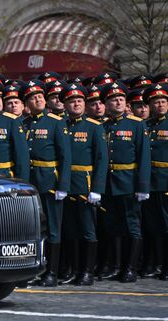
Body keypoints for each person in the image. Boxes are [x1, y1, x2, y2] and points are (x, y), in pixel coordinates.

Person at [21, 80, 71, 287]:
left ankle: (52, 272)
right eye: (33, 97)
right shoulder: (23, 123)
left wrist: (63, 186)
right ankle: (33, 269)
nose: (38, 99)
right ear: (27, 103)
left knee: (52, 229)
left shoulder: (55, 122)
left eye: (40, 96)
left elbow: (65, 156)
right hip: (30, 183)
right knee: (32, 229)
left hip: (50, 182)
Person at [100, 81, 150, 283]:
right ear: (107, 103)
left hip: (129, 183)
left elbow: (143, 157)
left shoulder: (137, 125)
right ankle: (117, 266)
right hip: (109, 183)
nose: (118, 102)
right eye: (114, 99)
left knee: (132, 226)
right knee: (113, 226)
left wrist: (142, 186)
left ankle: (131, 268)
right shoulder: (103, 126)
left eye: (121, 99)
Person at [59, 83, 108, 286]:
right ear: (65, 104)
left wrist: (97, 189)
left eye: (80, 100)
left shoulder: (94, 127)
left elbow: (101, 159)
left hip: (85, 185)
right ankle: (73, 270)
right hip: (65, 185)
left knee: (88, 230)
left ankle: (87, 272)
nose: (77, 104)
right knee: (70, 231)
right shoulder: (60, 125)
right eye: (72, 101)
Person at [142, 84, 168, 280]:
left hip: (166, 182)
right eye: (156, 102)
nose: (160, 105)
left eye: (163, 101)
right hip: (150, 183)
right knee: (153, 227)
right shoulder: (146, 125)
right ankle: (156, 263)